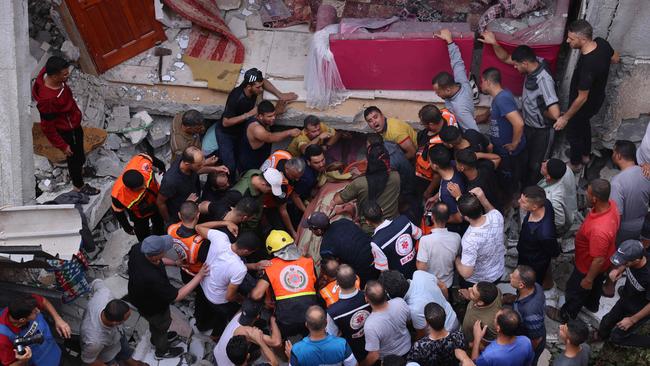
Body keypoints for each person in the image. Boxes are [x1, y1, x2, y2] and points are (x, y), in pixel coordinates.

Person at [479, 33, 561, 186]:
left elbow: (555, 114)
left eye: (516, 65)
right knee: (525, 161)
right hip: (529, 125)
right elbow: (505, 58)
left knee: (536, 165)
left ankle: (531, 191)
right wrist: (494, 43)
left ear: (525, 63)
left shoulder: (544, 80)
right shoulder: (534, 63)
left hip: (541, 131)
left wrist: (540, 111)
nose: (514, 67)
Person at [547, 179, 620, 322]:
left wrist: (588, 279)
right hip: (602, 262)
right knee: (597, 284)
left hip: (587, 267)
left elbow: (597, 259)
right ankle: (592, 304)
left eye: (588, 193)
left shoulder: (600, 230)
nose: (585, 194)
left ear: (595, 198)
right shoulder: (612, 206)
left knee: (576, 291)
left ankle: (565, 315)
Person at [126, 235, 208, 358]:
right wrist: (199, 276)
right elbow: (177, 295)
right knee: (161, 324)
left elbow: (159, 260)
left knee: (157, 326)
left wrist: (175, 263)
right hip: (152, 307)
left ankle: (157, 339)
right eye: (164, 250)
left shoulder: (139, 249)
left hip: (137, 295)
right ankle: (162, 350)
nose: (166, 252)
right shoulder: (152, 277)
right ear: (155, 255)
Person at [553, 20, 619, 171]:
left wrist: (565, 118)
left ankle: (576, 163)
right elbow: (616, 57)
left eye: (571, 38)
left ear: (583, 39)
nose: (567, 41)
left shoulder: (588, 66)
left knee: (573, 134)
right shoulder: (602, 44)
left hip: (583, 104)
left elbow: (582, 97)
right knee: (584, 125)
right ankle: (585, 155)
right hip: (597, 99)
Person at [32, 56, 99, 195]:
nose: (68, 74)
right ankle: (79, 185)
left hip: (73, 124)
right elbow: (47, 127)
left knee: (79, 155)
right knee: (74, 158)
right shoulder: (47, 101)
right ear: (55, 76)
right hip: (67, 130)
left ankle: (79, 169)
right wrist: (63, 145)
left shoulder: (48, 72)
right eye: (65, 74)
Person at [216, 67, 297, 176]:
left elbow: (264, 82)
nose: (261, 89)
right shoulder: (236, 98)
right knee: (230, 165)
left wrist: (280, 95)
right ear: (249, 87)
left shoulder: (254, 86)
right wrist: (249, 114)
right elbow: (225, 122)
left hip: (242, 128)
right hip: (227, 133)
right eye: (258, 87)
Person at [193, 223, 261, 337]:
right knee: (224, 316)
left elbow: (198, 227)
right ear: (245, 251)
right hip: (217, 299)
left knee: (204, 310)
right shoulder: (239, 269)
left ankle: (201, 324)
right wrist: (241, 299)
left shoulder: (220, 237)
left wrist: (225, 222)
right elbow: (229, 297)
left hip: (203, 284)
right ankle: (216, 336)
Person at [251, 231, 319, 338]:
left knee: (280, 337)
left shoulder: (270, 266)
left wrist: (266, 300)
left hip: (286, 319)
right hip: (312, 315)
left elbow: (256, 295)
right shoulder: (308, 262)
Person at [331, 143, 401, 233]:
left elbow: (337, 200)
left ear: (368, 162)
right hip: (394, 224)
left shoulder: (359, 183)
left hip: (370, 231)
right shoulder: (396, 176)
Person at [481, 67, 527, 196]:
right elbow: (492, 112)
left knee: (509, 179)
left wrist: (514, 144)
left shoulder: (502, 99)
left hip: (509, 153)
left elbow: (518, 123)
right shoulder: (499, 96)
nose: (481, 85)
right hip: (502, 150)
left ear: (488, 82)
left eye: (482, 82)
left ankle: (511, 199)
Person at [598, 239, 650, 347]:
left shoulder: (647, 275)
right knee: (606, 322)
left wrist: (632, 320)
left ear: (636, 261)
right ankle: (601, 336)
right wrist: (619, 270)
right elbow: (625, 263)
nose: (622, 264)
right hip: (626, 298)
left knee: (617, 337)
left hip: (638, 309)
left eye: (624, 262)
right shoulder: (640, 253)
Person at [80, 280, 145, 366]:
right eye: (125, 319)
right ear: (115, 322)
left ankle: (129, 360)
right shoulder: (94, 341)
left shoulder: (104, 295)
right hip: (106, 354)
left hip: (118, 336)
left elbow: (96, 282)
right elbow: (89, 360)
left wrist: (91, 296)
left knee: (124, 346)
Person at [304, 212, 379, 285]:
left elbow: (334, 271)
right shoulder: (343, 221)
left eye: (311, 229)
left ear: (319, 231)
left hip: (364, 271)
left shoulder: (325, 249)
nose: (311, 231)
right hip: (377, 255)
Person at [380, 270, 458, 338]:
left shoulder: (414, 310)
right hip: (453, 318)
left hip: (441, 335)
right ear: (402, 275)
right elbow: (443, 287)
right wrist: (444, 302)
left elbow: (422, 334)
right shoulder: (419, 274)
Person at [0, 294, 71, 366]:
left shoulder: (26, 303)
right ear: (22, 320)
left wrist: (58, 319)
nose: (39, 311)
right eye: (35, 312)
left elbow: (44, 302)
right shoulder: (3, 338)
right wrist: (23, 361)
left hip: (54, 349)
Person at [455, 188, 505, 287]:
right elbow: (491, 210)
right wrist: (483, 199)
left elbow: (466, 273)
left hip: (478, 282)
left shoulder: (470, 239)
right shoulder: (497, 216)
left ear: (464, 216)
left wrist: (456, 259)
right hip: (498, 272)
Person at [432, 29, 479, 132]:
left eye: (438, 92)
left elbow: (475, 133)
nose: (436, 94)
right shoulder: (461, 83)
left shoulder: (460, 109)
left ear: (448, 90)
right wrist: (449, 41)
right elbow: (457, 62)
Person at [111, 153, 165, 241]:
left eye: (144, 182)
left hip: (156, 201)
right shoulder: (119, 195)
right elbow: (118, 212)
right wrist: (127, 227)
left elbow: (149, 157)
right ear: (131, 189)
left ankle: (160, 236)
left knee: (159, 223)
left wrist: (162, 167)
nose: (145, 186)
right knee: (143, 234)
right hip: (139, 215)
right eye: (140, 188)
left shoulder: (141, 163)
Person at [214, 299, 282, 366]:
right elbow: (276, 343)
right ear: (247, 356)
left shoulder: (239, 315)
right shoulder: (245, 332)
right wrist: (273, 318)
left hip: (217, 357)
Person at [364, 202, 422, 279]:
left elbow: (385, 272)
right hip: (420, 269)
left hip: (402, 281)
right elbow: (421, 236)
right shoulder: (404, 220)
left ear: (367, 222)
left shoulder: (376, 243)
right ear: (382, 210)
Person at [456, 309, 534, 366]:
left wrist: (477, 339)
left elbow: (473, 363)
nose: (493, 319)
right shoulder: (526, 341)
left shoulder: (488, 356)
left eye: (495, 318)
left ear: (498, 328)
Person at [326, 265, 372, 363]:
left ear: (337, 283)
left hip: (353, 354)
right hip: (375, 345)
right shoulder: (369, 297)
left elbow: (332, 337)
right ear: (356, 278)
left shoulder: (333, 312)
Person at [239, 100, 301, 172]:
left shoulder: (262, 119)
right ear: (260, 116)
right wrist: (289, 132)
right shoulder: (256, 128)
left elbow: (270, 116)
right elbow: (270, 137)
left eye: (274, 115)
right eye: (270, 116)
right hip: (250, 167)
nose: (273, 118)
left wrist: (277, 110)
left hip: (261, 162)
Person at [517, 186, 559, 286]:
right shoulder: (546, 203)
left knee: (529, 284)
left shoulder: (545, 233)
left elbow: (553, 251)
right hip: (525, 253)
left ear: (534, 207)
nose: (519, 201)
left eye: (523, 201)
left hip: (534, 263)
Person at [362, 281, 411, 365]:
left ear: (366, 299)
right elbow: (409, 321)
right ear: (385, 293)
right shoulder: (400, 302)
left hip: (389, 361)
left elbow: (374, 355)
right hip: (408, 348)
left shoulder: (370, 325)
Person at [289, 306, 357, 366]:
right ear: (326, 322)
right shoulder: (342, 344)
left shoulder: (297, 350)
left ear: (306, 325)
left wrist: (291, 357)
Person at [611, 140, 650, 243]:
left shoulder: (617, 182)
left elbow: (617, 214)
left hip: (625, 229)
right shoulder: (645, 173)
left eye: (614, 152)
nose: (613, 154)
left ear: (618, 156)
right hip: (643, 222)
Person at [260, 151, 306, 238]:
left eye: (299, 176)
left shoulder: (283, 154)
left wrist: (305, 211)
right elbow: (282, 210)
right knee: (277, 229)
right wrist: (293, 232)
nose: (297, 179)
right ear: (287, 169)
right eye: (294, 176)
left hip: (262, 179)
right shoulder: (281, 184)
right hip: (265, 202)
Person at [414, 104, 458, 197]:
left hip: (428, 181)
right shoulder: (447, 115)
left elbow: (438, 174)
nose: (423, 126)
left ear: (431, 124)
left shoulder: (437, 147)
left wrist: (428, 192)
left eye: (423, 124)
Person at [417, 201, 462, 289]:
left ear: (432, 217)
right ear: (449, 217)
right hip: (449, 283)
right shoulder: (457, 237)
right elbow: (457, 256)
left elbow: (421, 268)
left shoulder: (425, 240)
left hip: (431, 284)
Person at [507, 266, 546, 365]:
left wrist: (526, 353)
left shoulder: (530, 311)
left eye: (513, 276)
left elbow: (536, 338)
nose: (510, 275)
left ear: (521, 285)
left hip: (529, 342)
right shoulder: (535, 286)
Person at [157, 146, 204, 226]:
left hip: (194, 205)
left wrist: (214, 169)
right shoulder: (171, 181)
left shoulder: (188, 163)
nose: (203, 165)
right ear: (187, 164)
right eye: (199, 165)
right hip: (181, 216)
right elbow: (160, 202)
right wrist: (169, 223)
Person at [427, 145, 468, 234]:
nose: (429, 163)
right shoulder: (454, 164)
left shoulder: (446, 193)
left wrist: (439, 218)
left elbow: (458, 218)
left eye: (429, 161)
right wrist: (436, 196)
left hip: (459, 228)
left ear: (435, 166)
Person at [231, 167, 283, 235]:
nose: (271, 192)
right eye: (270, 190)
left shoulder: (256, 173)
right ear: (263, 184)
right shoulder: (241, 194)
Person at [538, 159, 578, 235]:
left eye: (545, 167)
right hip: (569, 205)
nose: (542, 163)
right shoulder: (565, 170)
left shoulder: (552, 200)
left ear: (548, 177)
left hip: (564, 221)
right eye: (546, 162)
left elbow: (559, 222)